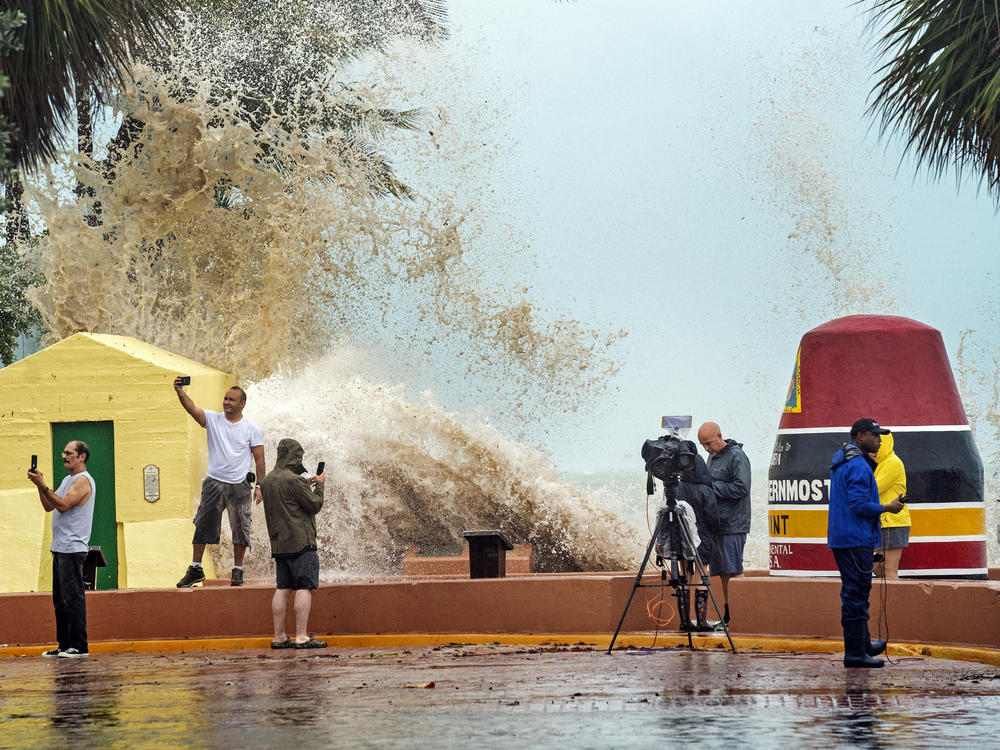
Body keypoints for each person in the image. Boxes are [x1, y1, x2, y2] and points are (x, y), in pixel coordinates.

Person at [828, 418, 905, 668]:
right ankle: (855, 654)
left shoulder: (844, 460)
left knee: (857, 592)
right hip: (855, 539)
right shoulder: (859, 465)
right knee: (856, 595)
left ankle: (863, 645)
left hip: (844, 537)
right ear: (859, 436)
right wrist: (889, 508)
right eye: (875, 434)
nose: (880, 439)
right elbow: (859, 505)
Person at [174, 378, 265, 588]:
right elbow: (192, 409)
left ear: (242, 404)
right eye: (225, 398)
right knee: (202, 524)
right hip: (214, 483)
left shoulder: (251, 428)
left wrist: (260, 486)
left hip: (240, 486)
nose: (226, 402)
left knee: (241, 527)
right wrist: (180, 392)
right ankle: (196, 568)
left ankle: (238, 570)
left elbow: (260, 459)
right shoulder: (213, 419)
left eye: (231, 400)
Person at [27, 441, 96, 658]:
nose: (64, 456)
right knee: (60, 599)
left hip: (72, 547)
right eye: (64, 452)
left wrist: (44, 485)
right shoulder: (68, 479)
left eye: (69, 453)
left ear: (82, 456)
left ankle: (79, 645)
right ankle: (65, 644)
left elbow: (64, 505)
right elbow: (50, 505)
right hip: (60, 547)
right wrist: (40, 485)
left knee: (73, 597)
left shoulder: (83, 481)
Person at [260, 438, 327, 649]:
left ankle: (279, 636)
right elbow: (314, 504)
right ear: (295, 456)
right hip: (301, 543)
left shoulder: (268, 481)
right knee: (304, 588)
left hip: (280, 545)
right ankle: (301, 636)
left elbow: (287, 496)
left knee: (282, 588)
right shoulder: (294, 481)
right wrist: (321, 486)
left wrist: (306, 484)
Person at [697, 421, 751, 625]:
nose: (706, 448)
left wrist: (711, 487)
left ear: (719, 435)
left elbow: (741, 487)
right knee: (722, 573)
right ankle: (729, 616)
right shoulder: (712, 458)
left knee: (734, 570)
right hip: (717, 524)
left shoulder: (737, 456)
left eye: (708, 443)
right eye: (703, 445)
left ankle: (742, 618)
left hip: (734, 524)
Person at [872, 430, 910, 579]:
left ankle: (895, 602)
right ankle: (887, 601)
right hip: (880, 521)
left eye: (877, 440)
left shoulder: (892, 463)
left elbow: (873, 488)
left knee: (889, 569)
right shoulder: (877, 464)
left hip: (892, 522)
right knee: (877, 568)